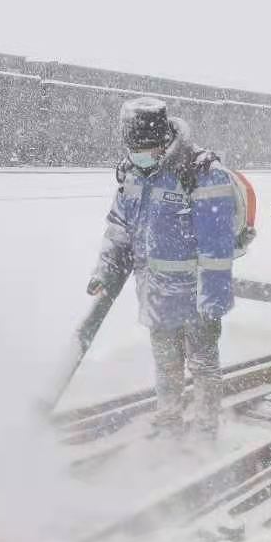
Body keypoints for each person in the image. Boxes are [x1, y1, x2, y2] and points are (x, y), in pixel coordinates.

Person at [87, 97, 236, 439]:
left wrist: (213, 300)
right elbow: (119, 227)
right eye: (133, 148)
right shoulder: (133, 174)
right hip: (155, 293)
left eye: (147, 148)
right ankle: (169, 419)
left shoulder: (201, 174)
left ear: (164, 139)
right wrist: (104, 270)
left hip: (196, 296)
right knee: (167, 365)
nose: (140, 155)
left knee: (202, 365)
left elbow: (217, 248)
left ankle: (204, 428)